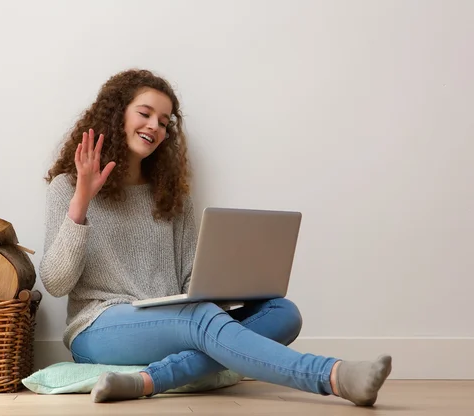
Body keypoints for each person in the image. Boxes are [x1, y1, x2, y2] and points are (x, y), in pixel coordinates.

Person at [40, 68, 392, 406]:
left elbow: (191, 278)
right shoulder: (68, 188)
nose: (154, 127)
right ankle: (332, 375)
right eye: (145, 113)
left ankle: (150, 380)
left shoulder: (171, 198)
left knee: (282, 312)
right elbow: (56, 282)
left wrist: (224, 286)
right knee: (198, 317)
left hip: (175, 320)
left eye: (164, 122)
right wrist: (81, 204)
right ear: (117, 114)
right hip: (99, 329)